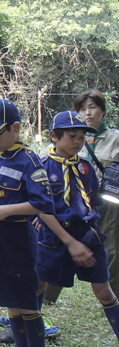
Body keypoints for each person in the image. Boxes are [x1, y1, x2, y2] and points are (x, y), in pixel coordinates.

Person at [0, 98, 55, 347]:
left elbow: (44, 203)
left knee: (26, 304)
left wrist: (6, 211)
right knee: (11, 303)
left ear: (15, 128)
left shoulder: (27, 160)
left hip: (17, 238)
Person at [36, 110, 119, 342]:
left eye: (81, 137)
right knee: (39, 283)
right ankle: (28, 330)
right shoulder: (42, 167)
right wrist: (69, 242)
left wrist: (89, 235)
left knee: (104, 289)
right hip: (53, 238)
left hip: (87, 236)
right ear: (54, 135)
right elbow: (43, 209)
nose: (77, 142)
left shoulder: (85, 168)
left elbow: (92, 201)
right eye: (72, 136)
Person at [74, 90, 119, 299]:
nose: (87, 113)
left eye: (92, 107)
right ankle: (46, 294)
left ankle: (110, 292)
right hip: (76, 200)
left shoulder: (115, 139)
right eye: (82, 109)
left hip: (107, 201)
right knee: (61, 241)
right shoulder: (72, 138)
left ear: (102, 110)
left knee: (110, 246)